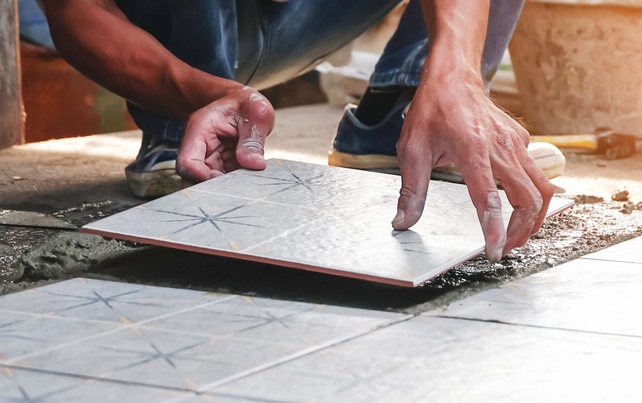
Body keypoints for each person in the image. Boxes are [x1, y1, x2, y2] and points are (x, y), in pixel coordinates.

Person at [41, 0, 557, 262]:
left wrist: (456, 74)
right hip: (177, 33)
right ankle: (189, 128)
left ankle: (409, 118)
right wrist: (199, 94)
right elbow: (77, 10)